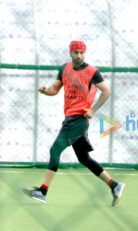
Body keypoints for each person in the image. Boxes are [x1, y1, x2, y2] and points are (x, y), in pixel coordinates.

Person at [23, 41, 125, 206]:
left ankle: (42, 191)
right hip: (70, 117)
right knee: (83, 158)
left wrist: (93, 110)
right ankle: (114, 185)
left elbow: (106, 91)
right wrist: (45, 91)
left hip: (79, 119)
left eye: (81, 52)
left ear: (85, 53)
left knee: (55, 149)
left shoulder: (92, 72)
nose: (79, 56)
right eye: (76, 52)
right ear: (70, 53)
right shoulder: (64, 69)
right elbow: (54, 90)